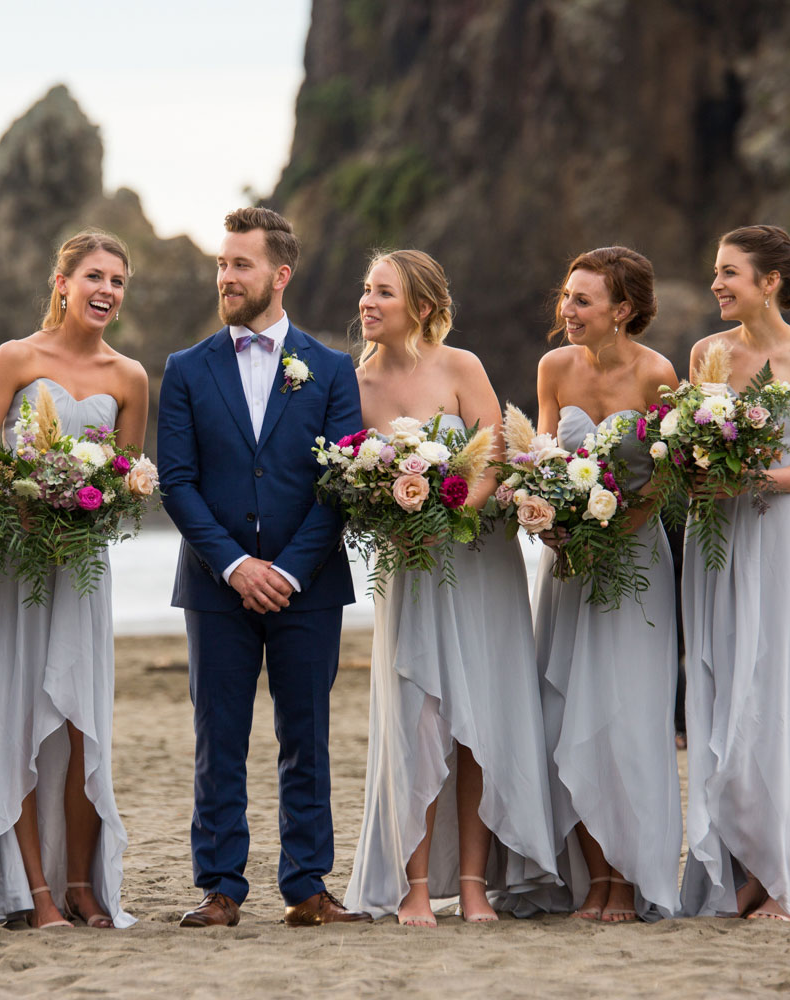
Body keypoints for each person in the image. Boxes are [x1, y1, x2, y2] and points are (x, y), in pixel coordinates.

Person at [157, 207, 368, 927]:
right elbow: (176, 483)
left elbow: (340, 483)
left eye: (240, 264)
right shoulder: (186, 369)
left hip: (308, 589)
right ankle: (220, 887)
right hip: (216, 589)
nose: (226, 276)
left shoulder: (333, 370)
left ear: (279, 275)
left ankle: (307, 888)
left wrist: (289, 571)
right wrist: (236, 565)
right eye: (222, 264)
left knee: (306, 737)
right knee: (221, 739)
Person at [342, 250, 556, 926]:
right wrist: (396, 512)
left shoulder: (462, 367)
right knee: (419, 722)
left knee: (477, 722)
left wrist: (459, 510)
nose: (367, 303)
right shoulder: (357, 383)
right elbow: (353, 480)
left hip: (479, 561)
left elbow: (494, 454)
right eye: (366, 290)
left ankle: (471, 884)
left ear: (424, 308)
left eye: (384, 293)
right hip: (410, 569)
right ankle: (411, 885)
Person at [0, 230, 148, 930]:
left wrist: (91, 498)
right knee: (16, 717)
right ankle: (34, 894)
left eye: (118, 281)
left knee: (84, 723)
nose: (107, 291)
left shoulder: (131, 378)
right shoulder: (14, 359)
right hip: (14, 566)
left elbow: (125, 481)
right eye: (95, 275)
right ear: (62, 282)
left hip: (83, 568)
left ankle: (83, 885)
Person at [680, 225, 790, 922]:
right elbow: (686, 442)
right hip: (711, 537)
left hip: (773, 538)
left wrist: (754, 480)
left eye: (729, 273)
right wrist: (691, 466)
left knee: (767, 699)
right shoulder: (705, 355)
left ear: (770, 281)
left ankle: (777, 880)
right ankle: (730, 874)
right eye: (717, 272)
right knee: (715, 691)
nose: (716, 283)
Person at [528, 246, 682, 922]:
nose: (568, 310)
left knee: (625, 719)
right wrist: (546, 519)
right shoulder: (553, 367)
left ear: (622, 310)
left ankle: (628, 878)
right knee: (570, 716)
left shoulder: (657, 374)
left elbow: (667, 476)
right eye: (566, 296)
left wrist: (612, 533)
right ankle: (593, 882)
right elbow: (538, 457)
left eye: (583, 300)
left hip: (632, 563)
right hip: (567, 566)